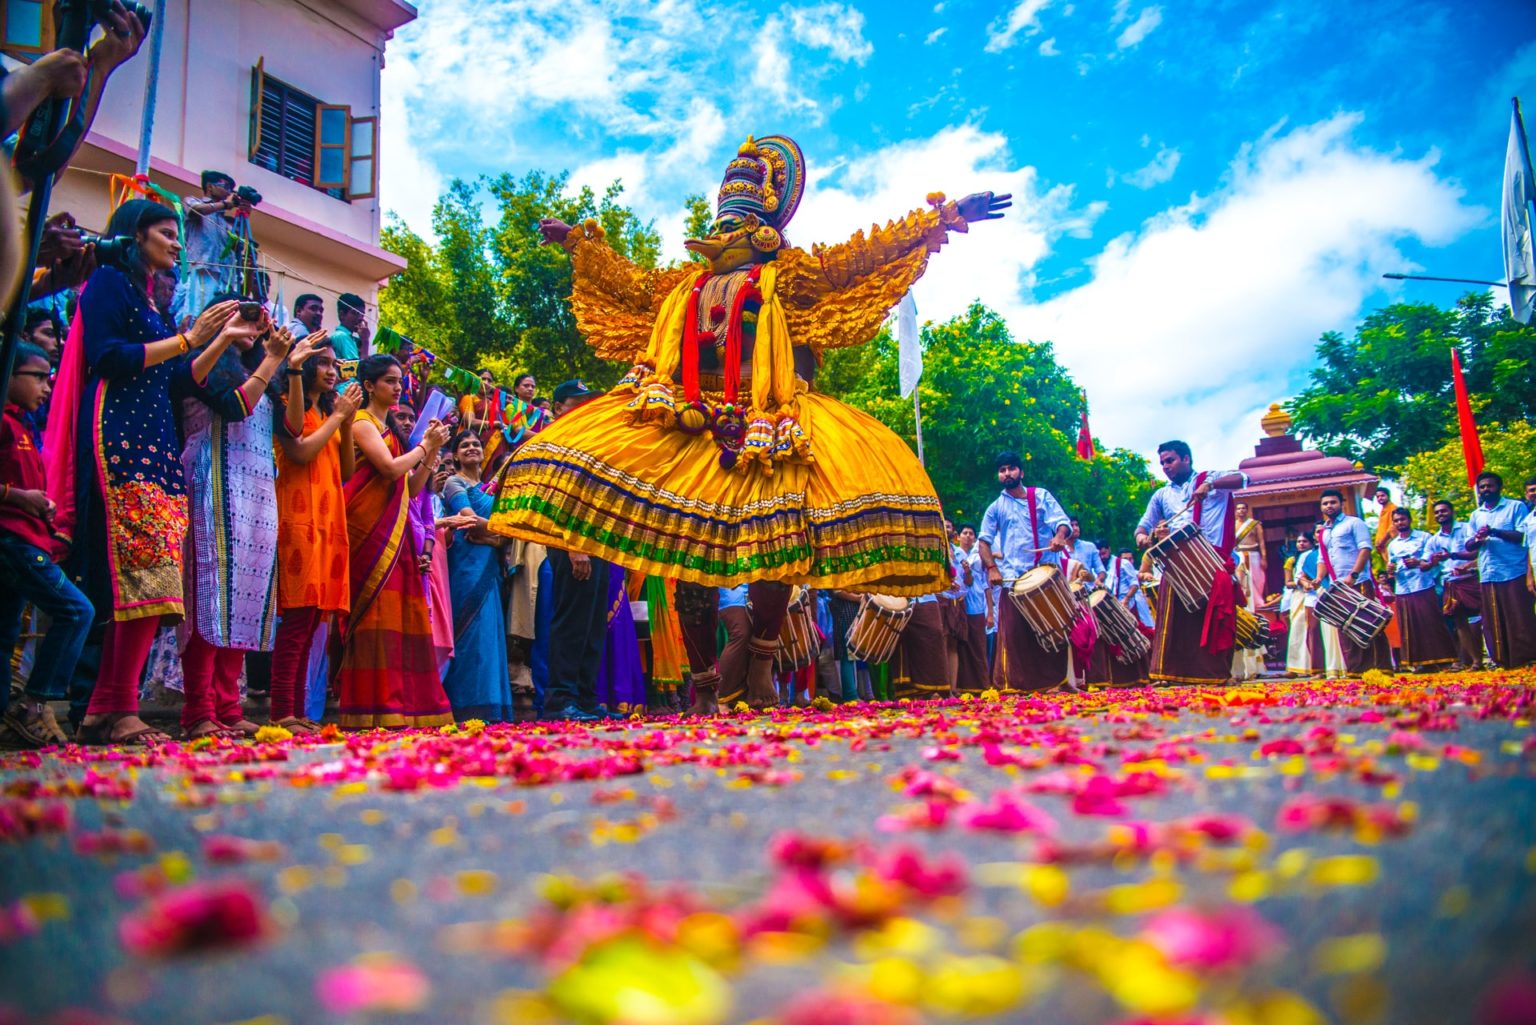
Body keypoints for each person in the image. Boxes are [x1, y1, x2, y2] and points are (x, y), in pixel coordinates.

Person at [489, 135, 1010, 668]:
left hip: (769, 421)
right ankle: (703, 680)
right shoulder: (683, 284)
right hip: (685, 418)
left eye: (737, 224)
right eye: (722, 226)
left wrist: (941, 219)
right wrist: (581, 245)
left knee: (775, 547)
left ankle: (762, 657)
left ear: (766, 227)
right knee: (682, 553)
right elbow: (629, 284)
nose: (726, 235)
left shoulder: (794, 276)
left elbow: (860, 261)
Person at [46, 200, 265, 746]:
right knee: (136, 579)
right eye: (166, 234)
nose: (176, 243)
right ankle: (112, 706)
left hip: (156, 442)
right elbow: (111, 358)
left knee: (157, 585)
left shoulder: (154, 304)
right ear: (134, 235)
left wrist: (216, 341)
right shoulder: (109, 285)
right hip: (119, 435)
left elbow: (180, 381)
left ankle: (108, 705)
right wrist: (192, 340)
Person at [176, 304, 296, 739]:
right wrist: (269, 359)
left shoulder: (262, 371)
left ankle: (228, 705)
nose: (256, 327)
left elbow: (292, 427)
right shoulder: (204, 365)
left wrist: (289, 367)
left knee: (247, 600)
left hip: (258, 491)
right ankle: (198, 709)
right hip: (214, 479)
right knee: (211, 597)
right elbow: (237, 407)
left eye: (259, 322)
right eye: (245, 318)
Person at [338, 354, 452, 729]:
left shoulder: (395, 435)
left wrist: (431, 450)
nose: (398, 386)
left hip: (397, 535)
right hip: (369, 534)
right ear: (369, 386)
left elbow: (412, 487)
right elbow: (388, 471)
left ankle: (405, 707)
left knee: (403, 620)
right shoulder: (363, 423)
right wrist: (424, 448)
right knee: (375, 620)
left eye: (400, 380)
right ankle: (370, 708)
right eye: (389, 380)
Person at [0, 342, 92, 746]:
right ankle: (35, 704)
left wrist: (42, 510)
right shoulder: (4, 423)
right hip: (12, 540)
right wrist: (18, 498)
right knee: (76, 610)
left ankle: (7, 714)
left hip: (27, 535)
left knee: (4, 633)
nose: (46, 384)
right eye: (37, 375)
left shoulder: (23, 424)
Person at [268, 334, 358, 731]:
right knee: (296, 622)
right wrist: (340, 418)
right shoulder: (293, 404)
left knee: (309, 626)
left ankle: (297, 710)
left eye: (335, 365)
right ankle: (281, 712)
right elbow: (300, 452)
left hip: (327, 523)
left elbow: (348, 471)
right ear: (302, 364)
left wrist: (347, 420)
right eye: (323, 363)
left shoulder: (328, 412)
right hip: (298, 518)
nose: (332, 370)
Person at [535, 380, 617, 721]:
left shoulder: (589, 440)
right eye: (576, 402)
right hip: (569, 541)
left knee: (593, 621)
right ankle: (560, 698)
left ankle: (585, 697)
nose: (584, 407)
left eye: (589, 402)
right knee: (571, 620)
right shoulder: (554, 440)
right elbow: (554, 497)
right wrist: (573, 547)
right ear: (557, 407)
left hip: (597, 540)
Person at [1133, 441, 1246, 685]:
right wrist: (1143, 536)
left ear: (1186, 459)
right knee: (1173, 621)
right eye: (1162, 462)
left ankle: (1215, 675)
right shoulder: (1161, 495)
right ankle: (1170, 674)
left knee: (1214, 619)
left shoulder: (1211, 479)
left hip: (1212, 560)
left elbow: (1244, 478)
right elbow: (1143, 526)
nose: (1165, 466)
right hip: (1177, 562)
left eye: (1170, 460)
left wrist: (1210, 484)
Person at [977, 451, 1073, 692]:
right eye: (1002, 470)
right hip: (1013, 580)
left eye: (1011, 468)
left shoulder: (1040, 496)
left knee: (1054, 631)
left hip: (1044, 574)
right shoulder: (995, 508)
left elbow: (1062, 522)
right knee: (1015, 635)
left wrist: (1060, 537)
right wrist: (991, 568)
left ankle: (1056, 682)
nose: (1006, 473)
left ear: (1021, 472)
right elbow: (983, 542)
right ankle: (1016, 685)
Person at [439, 431, 514, 722]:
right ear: (455, 456)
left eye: (476, 445)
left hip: (489, 569)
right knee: (468, 633)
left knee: (489, 634)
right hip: (465, 567)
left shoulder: (489, 490)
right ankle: (465, 706)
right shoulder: (453, 482)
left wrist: (496, 538)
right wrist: (500, 534)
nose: (471, 448)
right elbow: (468, 519)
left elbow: (510, 533)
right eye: (464, 445)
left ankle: (491, 707)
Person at [1453, 472, 1536, 669]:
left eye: (1490, 486)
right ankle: (1502, 659)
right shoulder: (1476, 514)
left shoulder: (1515, 507)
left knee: (1519, 616)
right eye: (1482, 487)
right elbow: (1469, 545)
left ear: (1499, 487)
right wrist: (1477, 539)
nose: (1486, 490)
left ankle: (1526, 657)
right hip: (1488, 574)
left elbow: (1522, 536)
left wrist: (1494, 532)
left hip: (1512, 570)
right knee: (1493, 620)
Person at [1313, 488, 1393, 673]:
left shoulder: (1354, 523)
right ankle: (1356, 670)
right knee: (1347, 627)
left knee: (1369, 623)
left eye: (1333, 502)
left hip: (1358, 582)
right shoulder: (1324, 532)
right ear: (1321, 507)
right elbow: (1322, 559)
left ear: (1342, 504)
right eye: (1325, 503)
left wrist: (1354, 574)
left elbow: (1365, 549)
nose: (1329, 506)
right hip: (1338, 586)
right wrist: (1318, 578)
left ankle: (1380, 668)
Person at [1384, 508, 1456, 673]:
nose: (1399, 523)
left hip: (1423, 584)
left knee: (1431, 622)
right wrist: (1390, 569)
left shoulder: (1425, 537)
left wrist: (1418, 562)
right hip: (1403, 588)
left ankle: (1444, 659)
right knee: (1410, 626)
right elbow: (1391, 569)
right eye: (1396, 521)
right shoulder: (1393, 545)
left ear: (1409, 520)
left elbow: (1435, 560)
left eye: (1402, 519)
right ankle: (1418, 662)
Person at [172, 172, 242, 323]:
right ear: (210, 187)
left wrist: (242, 215)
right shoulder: (191, 201)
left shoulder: (225, 221)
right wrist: (226, 204)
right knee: (195, 320)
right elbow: (196, 211)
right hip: (200, 272)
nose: (229, 192)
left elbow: (237, 249)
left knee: (215, 324)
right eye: (226, 187)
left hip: (222, 280)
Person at [953, 526, 991, 693]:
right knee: (960, 646)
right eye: (965, 533)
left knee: (978, 647)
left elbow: (986, 585)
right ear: (958, 537)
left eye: (971, 534)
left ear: (975, 539)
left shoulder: (979, 556)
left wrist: (990, 611)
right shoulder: (954, 554)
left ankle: (981, 685)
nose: (968, 536)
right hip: (958, 603)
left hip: (976, 605)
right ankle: (961, 686)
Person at [1285, 533, 1323, 676]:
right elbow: (1290, 581)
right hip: (1298, 594)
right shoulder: (1293, 559)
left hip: (1310, 594)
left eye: (1305, 541)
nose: (1301, 544)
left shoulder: (1313, 555)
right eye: (1299, 541)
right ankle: (1296, 667)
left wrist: (1306, 583)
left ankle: (1311, 666)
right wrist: (1300, 583)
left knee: (1309, 629)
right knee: (1297, 630)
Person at [1233, 502, 1266, 610]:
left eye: (1243, 508)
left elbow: (1261, 542)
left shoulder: (1255, 524)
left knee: (1257, 579)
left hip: (1254, 555)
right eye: (1238, 509)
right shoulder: (1232, 525)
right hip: (1239, 556)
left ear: (1247, 510)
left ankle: (1258, 603)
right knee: (1241, 580)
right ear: (1235, 511)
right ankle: (1245, 604)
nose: (1241, 510)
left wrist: (1264, 558)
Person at [330, 293, 369, 361]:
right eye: (355, 313)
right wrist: (365, 341)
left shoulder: (351, 338)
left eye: (362, 314)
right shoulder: (342, 336)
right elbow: (358, 368)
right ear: (342, 314)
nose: (360, 318)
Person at [1068, 519, 1105, 585]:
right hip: (1068, 591)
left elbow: (1101, 570)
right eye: (1071, 525)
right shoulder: (1059, 550)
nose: (1075, 528)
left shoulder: (1090, 546)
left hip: (1088, 591)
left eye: (1076, 525)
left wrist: (1098, 580)